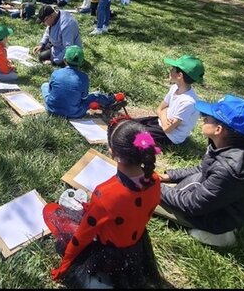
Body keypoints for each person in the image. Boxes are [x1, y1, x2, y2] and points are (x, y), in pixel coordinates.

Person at [43, 119, 162, 288]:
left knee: (52, 212)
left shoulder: (106, 194)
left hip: (108, 254)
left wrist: (65, 264)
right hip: (137, 248)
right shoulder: (155, 180)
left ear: (113, 152)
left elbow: (82, 236)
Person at [154, 94, 244, 248]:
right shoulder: (232, 145)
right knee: (162, 190)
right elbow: (203, 168)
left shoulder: (228, 169)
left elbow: (192, 205)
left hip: (216, 217)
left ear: (218, 129)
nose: (203, 118)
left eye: (208, 117)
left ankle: (222, 235)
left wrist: (154, 185)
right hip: (217, 202)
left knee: (145, 197)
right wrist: (169, 176)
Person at [132, 55, 204, 145]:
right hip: (161, 122)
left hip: (170, 136)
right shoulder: (174, 88)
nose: (170, 71)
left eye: (173, 69)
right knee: (128, 124)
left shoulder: (188, 102)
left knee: (130, 134)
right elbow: (158, 109)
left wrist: (164, 112)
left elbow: (168, 129)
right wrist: (164, 114)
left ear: (179, 75)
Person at [40, 45, 114, 119]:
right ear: (81, 62)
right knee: (96, 95)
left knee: (45, 85)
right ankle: (110, 100)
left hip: (51, 109)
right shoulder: (84, 77)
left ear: (64, 59)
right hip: (74, 113)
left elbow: (50, 90)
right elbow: (84, 97)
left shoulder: (56, 73)